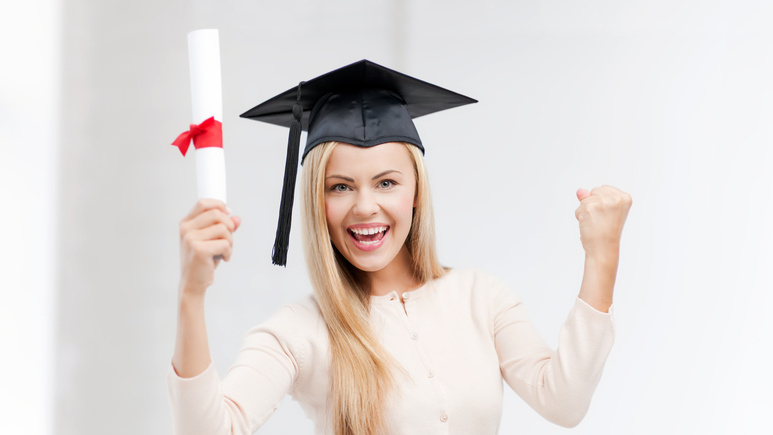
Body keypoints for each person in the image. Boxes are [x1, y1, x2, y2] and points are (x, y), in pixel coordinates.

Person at [168, 60, 632, 435]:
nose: (364, 207)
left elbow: (565, 402)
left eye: (386, 182)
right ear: (315, 201)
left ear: (416, 191)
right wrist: (191, 296)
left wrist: (602, 256)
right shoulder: (300, 332)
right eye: (339, 187)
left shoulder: (480, 298)